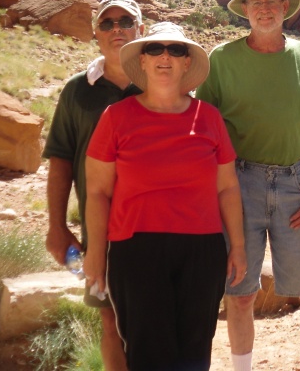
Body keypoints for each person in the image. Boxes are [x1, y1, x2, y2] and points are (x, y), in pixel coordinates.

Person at [195, 0, 300, 371]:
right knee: (241, 293)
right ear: (245, 9)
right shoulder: (222, 61)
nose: (264, 9)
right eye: (256, 2)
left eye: (271, 1)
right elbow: (203, 129)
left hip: (296, 184)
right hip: (238, 184)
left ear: (285, 7)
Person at [83, 22, 246, 371]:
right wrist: (96, 253)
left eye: (176, 50)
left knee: (194, 354)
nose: (165, 57)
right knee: (148, 355)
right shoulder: (116, 118)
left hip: (202, 250)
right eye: (155, 49)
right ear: (142, 60)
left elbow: (228, 186)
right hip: (136, 250)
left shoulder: (209, 118)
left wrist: (239, 246)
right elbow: (97, 191)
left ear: (187, 63)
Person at [43, 0, 145, 371]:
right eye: (107, 23)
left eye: (125, 22)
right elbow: (61, 161)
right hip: (98, 230)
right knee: (109, 320)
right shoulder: (76, 90)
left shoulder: (161, 82)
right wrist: (56, 228)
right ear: (95, 33)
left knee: (156, 320)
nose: (116, 29)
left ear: (141, 30)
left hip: (156, 224)